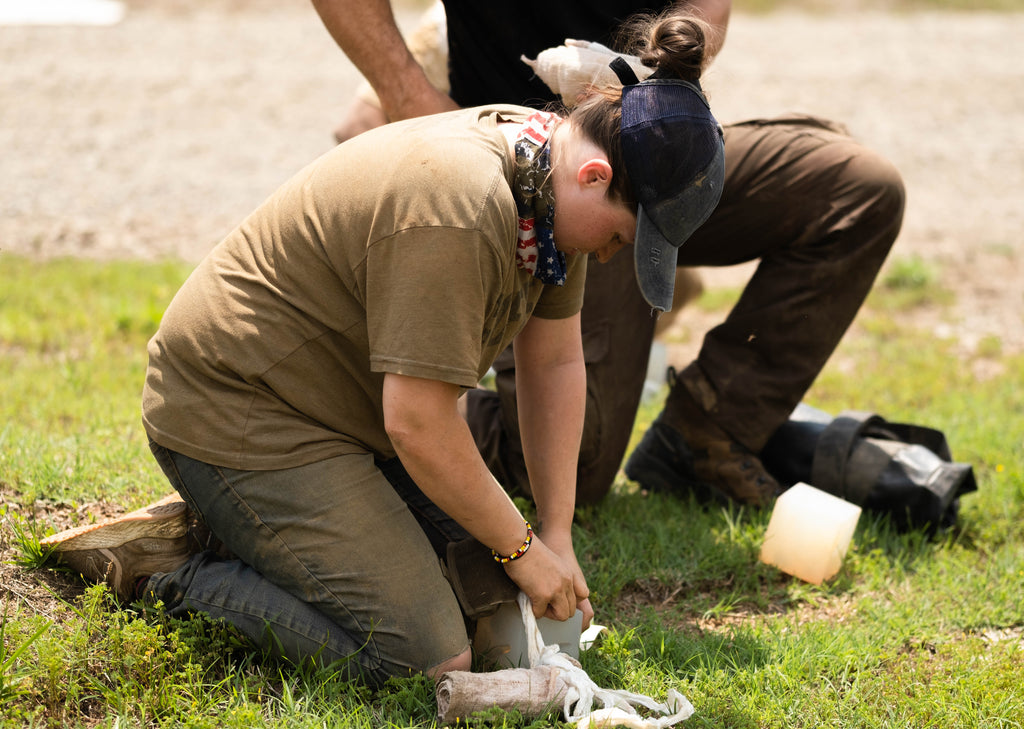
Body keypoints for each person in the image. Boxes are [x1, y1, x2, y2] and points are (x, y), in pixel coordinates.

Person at [42, 14, 727, 685]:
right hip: (239, 410)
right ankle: (172, 570)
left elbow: (554, 362)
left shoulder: (549, 172)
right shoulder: (461, 205)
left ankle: (247, 530)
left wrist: (555, 533)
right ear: (596, 176)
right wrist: (522, 548)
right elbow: (419, 422)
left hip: (341, 416)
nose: (612, 256)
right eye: (622, 237)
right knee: (424, 656)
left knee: (487, 608)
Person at [314, 0, 905, 507]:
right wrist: (409, 94)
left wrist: (653, 86)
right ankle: (386, 421)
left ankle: (707, 431)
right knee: (573, 465)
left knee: (859, 191)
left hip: (644, 150)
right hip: (527, 175)